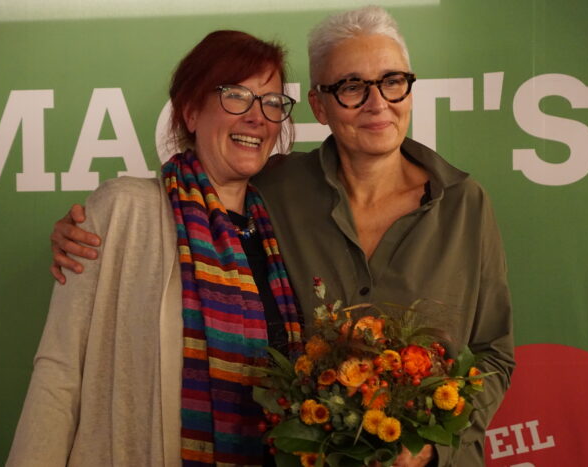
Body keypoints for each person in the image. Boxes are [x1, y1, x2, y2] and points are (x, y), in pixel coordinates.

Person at [49, 6, 514, 467]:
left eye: (392, 81)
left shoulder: (464, 204)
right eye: (352, 86)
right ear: (319, 105)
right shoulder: (273, 189)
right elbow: (186, 202)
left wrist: (434, 447)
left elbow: (493, 353)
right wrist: (88, 230)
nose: (378, 103)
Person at [8, 30, 304, 467]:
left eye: (271, 102)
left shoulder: (277, 230)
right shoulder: (123, 209)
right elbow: (59, 370)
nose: (257, 117)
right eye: (236, 97)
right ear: (190, 111)